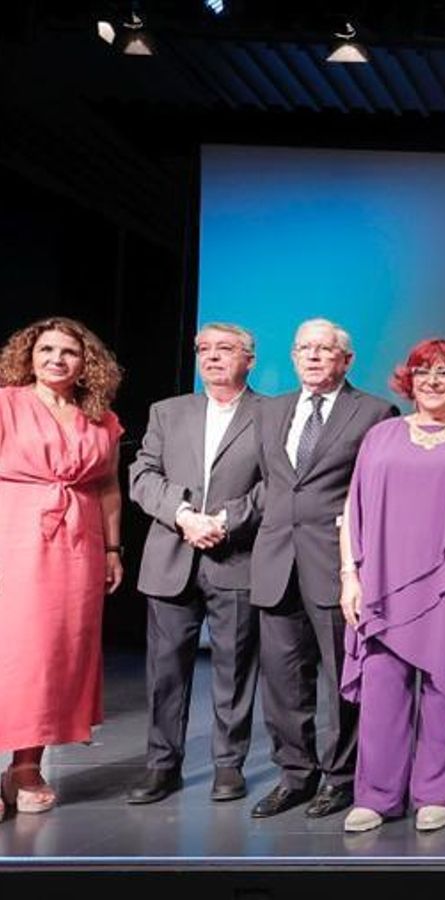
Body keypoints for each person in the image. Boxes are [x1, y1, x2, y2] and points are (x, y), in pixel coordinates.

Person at [337, 339, 445, 833]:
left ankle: (436, 792)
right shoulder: (382, 437)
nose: (433, 381)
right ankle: (376, 795)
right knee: (382, 691)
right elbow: (354, 512)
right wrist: (349, 577)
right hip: (384, 583)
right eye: (422, 372)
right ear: (407, 380)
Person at [249, 318, 398, 819]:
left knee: (344, 680)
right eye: (304, 349)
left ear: (346, 360)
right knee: (283, 680)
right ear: (293, 357)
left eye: (324, 349)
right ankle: (294, 774)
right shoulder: (271, 411)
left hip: (337, 567)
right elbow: (273, 483)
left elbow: (380, 494)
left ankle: (342, 778)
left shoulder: (376, 412)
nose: (313, 357)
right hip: (275, 562)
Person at [126, 323, 264, 806]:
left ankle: (229, 765)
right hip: (171, 556)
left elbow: (275, 484)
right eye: (204, 349)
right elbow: (142, 474)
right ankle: (162, 766)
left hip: (237, 555)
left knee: (234, 668)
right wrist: (183, 516)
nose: (211, 357)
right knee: (165, 672)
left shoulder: (271, 414)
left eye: (224, 349)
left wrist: (226, 520)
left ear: (249, 358)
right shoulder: (168, 411)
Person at [0, 317, 124, 815]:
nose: (56, 359)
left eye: (68, 352)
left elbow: (108, 486)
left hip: (76, 545)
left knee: (54, 653)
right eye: (46, 349)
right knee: (11, 649)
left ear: (85, 363)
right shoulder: (6, 404)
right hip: (13, 535)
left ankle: (26, 764)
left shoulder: (100, 419)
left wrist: (113, 550)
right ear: (28, 355)